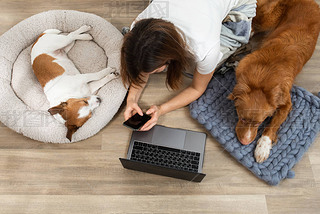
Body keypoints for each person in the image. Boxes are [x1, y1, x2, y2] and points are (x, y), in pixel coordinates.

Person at [121, 0, 255, 131]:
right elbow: (143, 60)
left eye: (154, 70)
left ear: (167, 58)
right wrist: (131, 99)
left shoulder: (204, 49)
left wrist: (161, 109)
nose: (148, 74)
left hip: (239, 5)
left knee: (191, 70)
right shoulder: (139, 26)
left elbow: (197, 88)